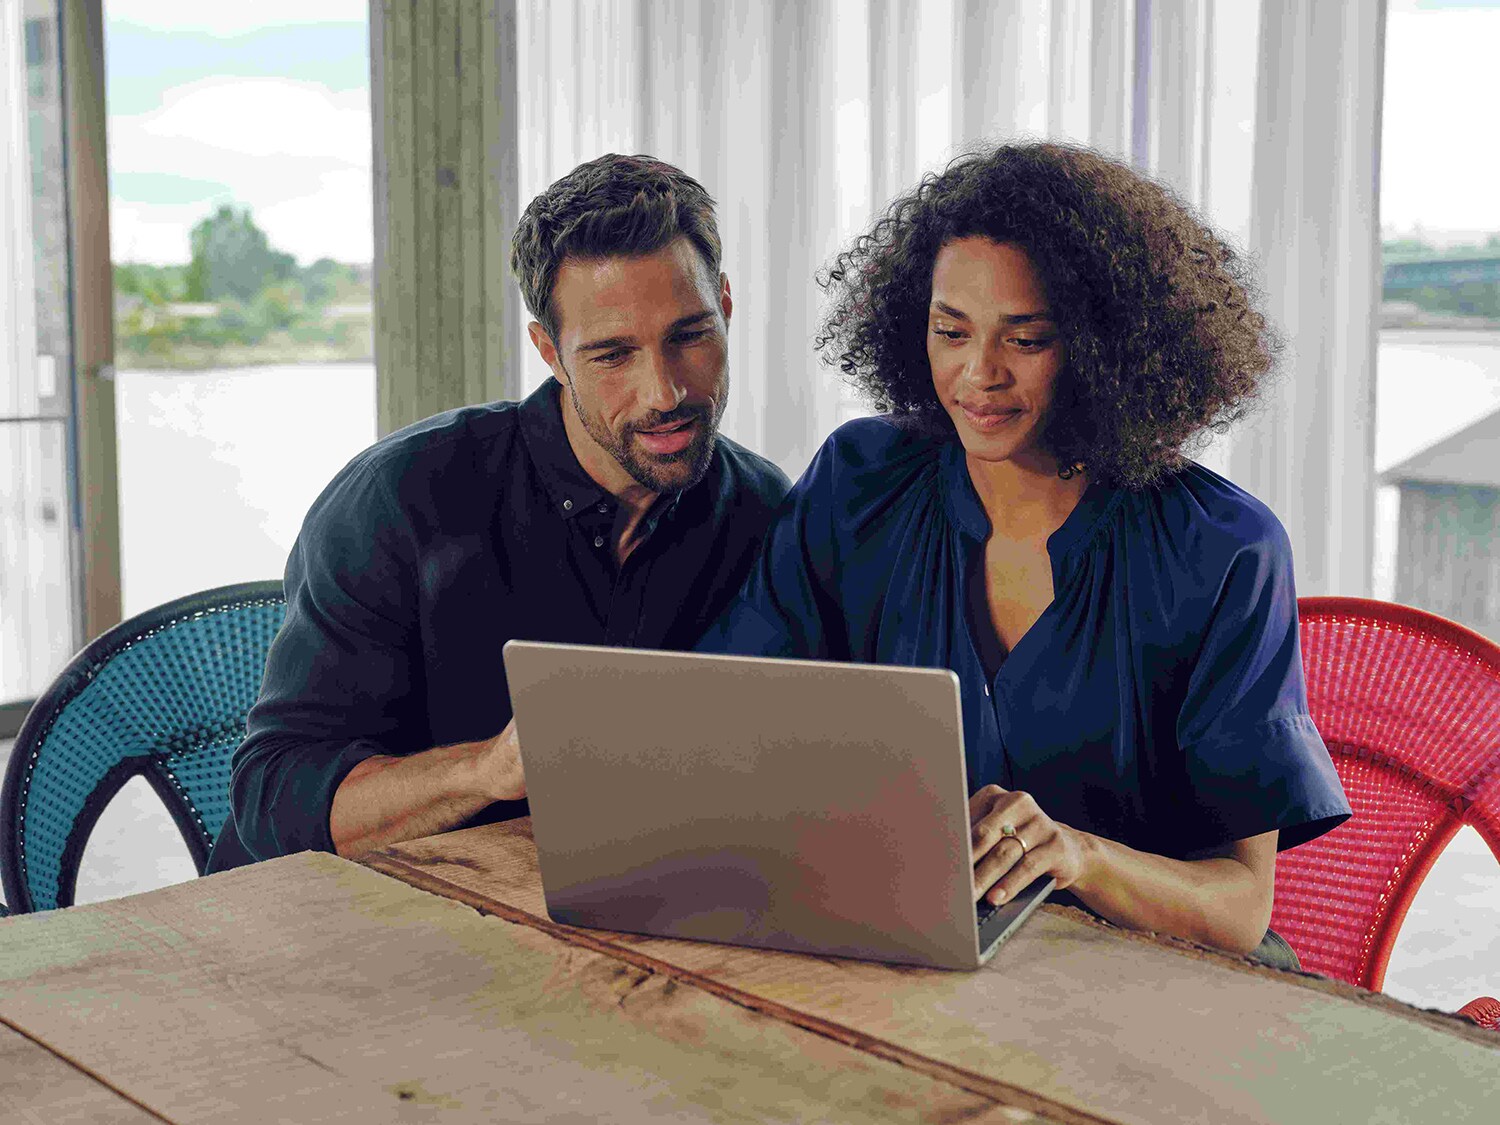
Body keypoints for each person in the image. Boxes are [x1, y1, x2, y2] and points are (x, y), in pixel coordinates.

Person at [696, 141, 1351, 963]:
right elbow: (729, 717)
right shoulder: (859, 484)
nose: (979, 374)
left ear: (1102, 346)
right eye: (950, 331)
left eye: (1027, 338)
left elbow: (1239, 908)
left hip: (1171, 983)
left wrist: (1077, 854)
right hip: (926, 957)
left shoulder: (1224, 550)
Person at [207, 154, 790, 871]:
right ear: (550, 351)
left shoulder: (766, 512)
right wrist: (488, 770)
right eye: (612, 355)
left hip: (581, 909)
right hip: (321, 923)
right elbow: (274, 798)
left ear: (725, 309)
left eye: (690, 335)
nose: (663, 392)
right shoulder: (397, 499)